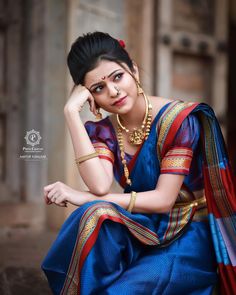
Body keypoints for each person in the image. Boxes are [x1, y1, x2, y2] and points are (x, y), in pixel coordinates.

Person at [41, 32, 236, 295]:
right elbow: (99, 185)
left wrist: (80, 197)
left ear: (133, 69)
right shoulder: (105, 130)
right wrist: (71, 114)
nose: (113, 91)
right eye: (98, 88)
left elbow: (164, 200)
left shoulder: (178, 121)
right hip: (144, 224)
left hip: (188, 230)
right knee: (93, 214)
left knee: (121, 289)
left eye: (117, 77)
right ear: (91, 98)